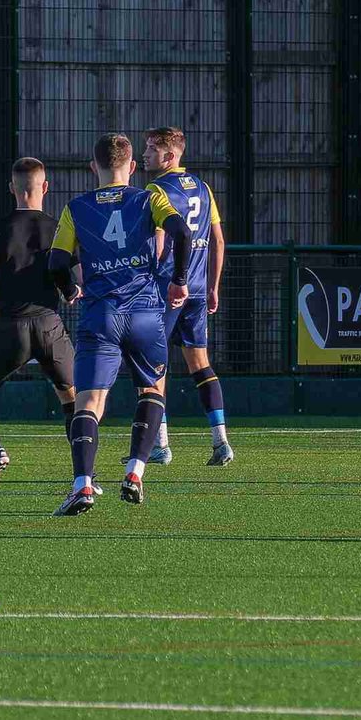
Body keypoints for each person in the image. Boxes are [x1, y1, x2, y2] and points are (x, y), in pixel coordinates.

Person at [48, 134, 190, 514]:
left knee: (89, 402)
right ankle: (135, 471)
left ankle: (83, 484)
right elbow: (181, 232)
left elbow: (56, 262)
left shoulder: (75, 208)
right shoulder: (149, 198)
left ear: (93, 166)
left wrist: (69, 288)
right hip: (145, 314)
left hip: (101, 316)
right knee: (152, 389)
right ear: (132, 166)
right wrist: (179, 280)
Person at [0, 157, 78, 489]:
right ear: (45, 187)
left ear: (12, 188)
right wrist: (71, 291)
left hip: (9, 327)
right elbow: (77, 281)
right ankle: (83, 474)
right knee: (74, 400)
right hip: (49, 326)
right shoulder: (59, 229)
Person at [136, 127, 231, 467]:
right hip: (197, 290)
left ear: (170, 156)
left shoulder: (156, 190)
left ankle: (160, 445)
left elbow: (160, 242)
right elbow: (218, 240)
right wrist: (213, 286)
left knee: (152, 366)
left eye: (151, 149)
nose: (145, 154)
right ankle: (221, 441)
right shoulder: (203, 188)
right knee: (200, 363)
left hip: (167, 289)